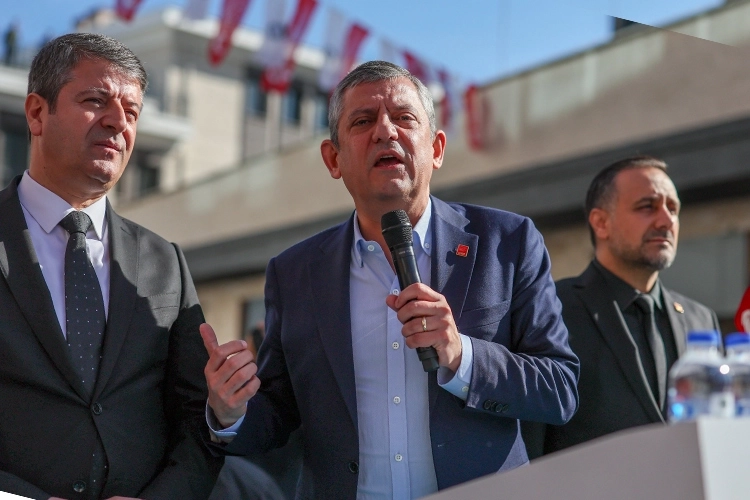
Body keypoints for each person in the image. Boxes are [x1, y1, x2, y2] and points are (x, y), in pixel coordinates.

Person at [200, 60, 579, 499]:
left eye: (404, 117)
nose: (385, 131)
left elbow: (559, 390)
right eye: (363, 121)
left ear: (436, 148)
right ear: (333, 159)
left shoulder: (507, 242)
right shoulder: (295, 272)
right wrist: (230, 410)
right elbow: (278, 412)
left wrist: (462, 355)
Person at [0, 33, 222, 499]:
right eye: (95, 100)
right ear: (37, 113)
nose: (118, 122)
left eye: (132, 111)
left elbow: (196, 420)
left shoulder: (165, 262)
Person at [522, 156, 720, 458]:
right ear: (601, 223)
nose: (666, 221)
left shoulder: (700, 320)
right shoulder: (551, 308)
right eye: (647, 207)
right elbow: (530, 439)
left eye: (673, 208)